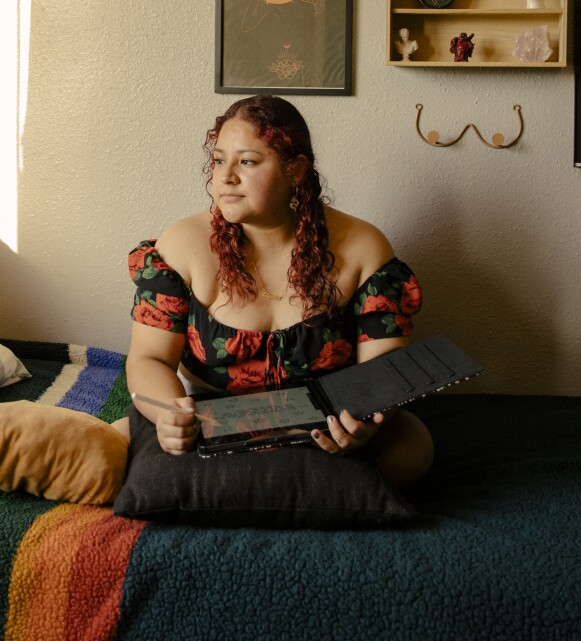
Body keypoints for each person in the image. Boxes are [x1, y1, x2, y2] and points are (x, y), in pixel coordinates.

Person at [124, 95, 434, 488]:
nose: (226, 176)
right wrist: (171, 415)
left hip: (328, 420)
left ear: (295, 169)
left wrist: (363, 424)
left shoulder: (363, 247)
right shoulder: (182, 244)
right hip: (213, 416)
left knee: (411, 453)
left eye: (248, 162)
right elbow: (148, 359)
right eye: (219, 160)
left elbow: (383, 370)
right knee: (141, 458)